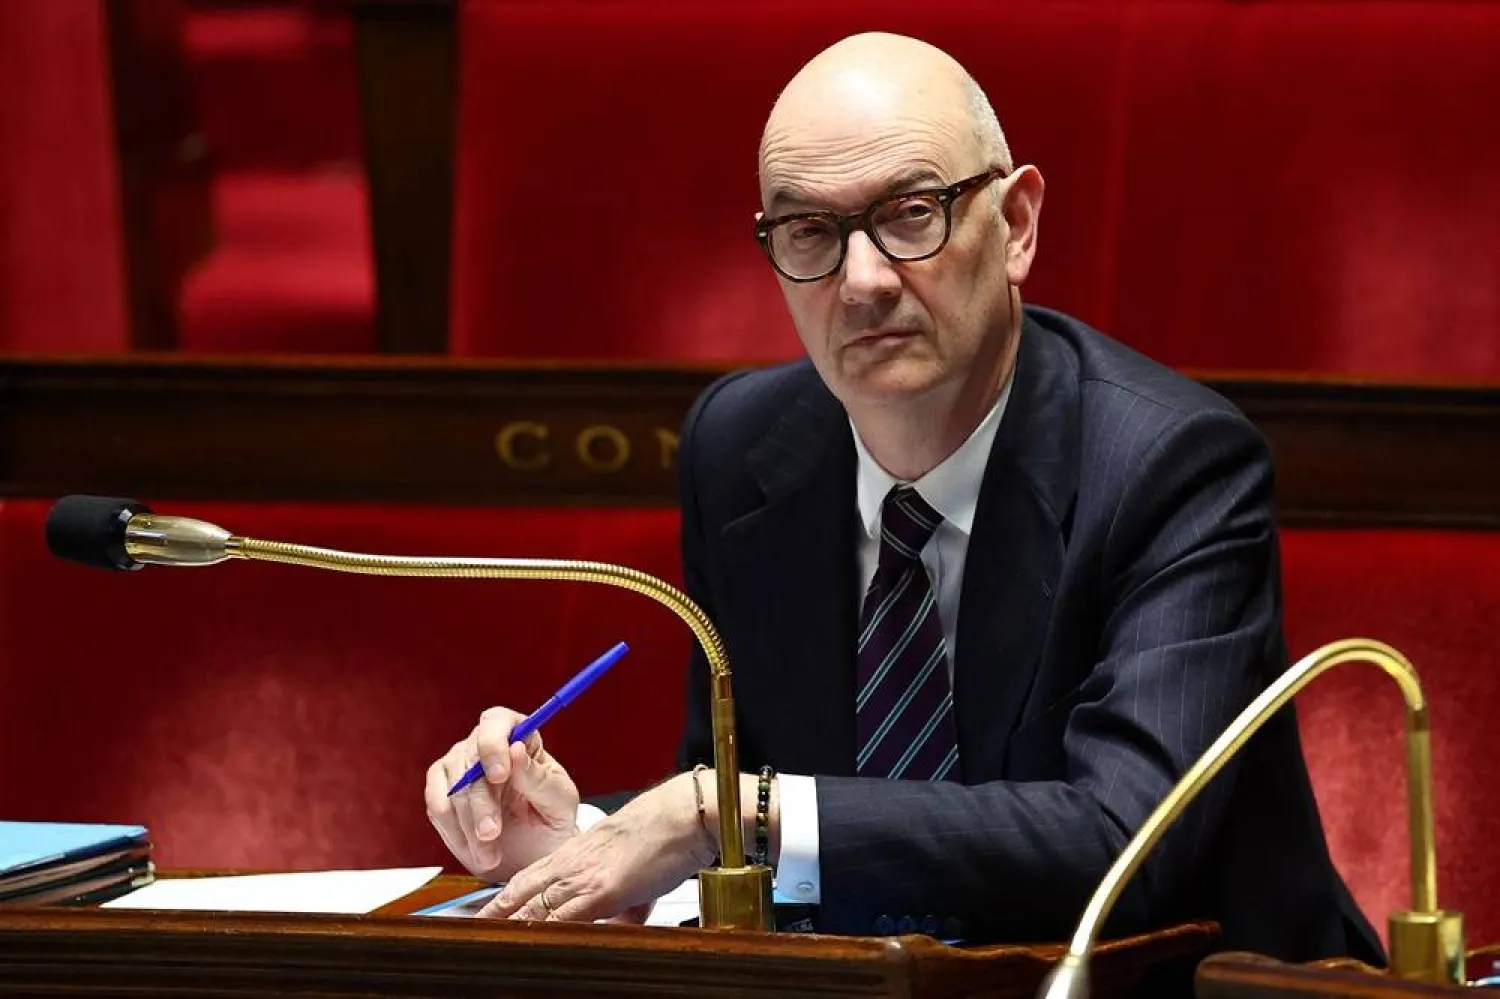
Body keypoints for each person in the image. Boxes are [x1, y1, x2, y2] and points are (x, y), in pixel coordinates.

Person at [424, 31, 1381, 961]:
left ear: (1015, 226)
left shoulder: (1173, 464)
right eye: (810, 231)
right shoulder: (744, 449)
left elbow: (1125, 839)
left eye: (911, 212)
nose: (863, 281)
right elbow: (744, 813)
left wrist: (725, 810)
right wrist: (579, 841)